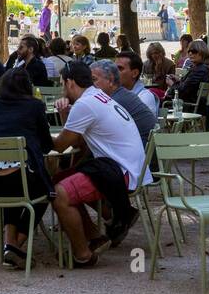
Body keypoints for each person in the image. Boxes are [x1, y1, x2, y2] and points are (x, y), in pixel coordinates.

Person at [51, 63, 150, 266]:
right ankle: (96, 237)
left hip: (120, 171)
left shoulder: (84, 104)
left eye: (62, 84)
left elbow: (61, 146)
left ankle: (83, 255)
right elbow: (77, 141)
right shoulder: (97, 96)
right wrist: (65, 117)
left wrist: (35, 135)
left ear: (70, 83)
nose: (62, 89)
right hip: (129, 167)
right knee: (61, 181)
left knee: (59, 193)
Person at [0, 66, 56, 269]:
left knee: (12, 188)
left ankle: (9, 243)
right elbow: (47, 145)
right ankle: (16, 243)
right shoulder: (35, 106)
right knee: (46, 191)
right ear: (27, 86)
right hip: (20, 180)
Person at [91, 58, 155, 142]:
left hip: (139, 151)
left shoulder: (114, 101)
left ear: (110, 80)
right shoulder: (122, 94)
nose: (91, 85)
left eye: (94, 79)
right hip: (144, 148)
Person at [164, 39, 209, 110]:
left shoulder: (200, 70)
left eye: (194, 51)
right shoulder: (202, 67)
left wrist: (172, 84)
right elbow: (189, 86)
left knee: (156, 101)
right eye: (189, 51)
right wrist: (178, 80)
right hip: (188, 103)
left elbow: (182, 92)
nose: (190, 53)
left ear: (202, 52)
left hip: (187, 105)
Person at [115, 50, 161, 117]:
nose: (114, 72)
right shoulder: (112, 94)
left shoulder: (144, 97)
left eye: (120, 68)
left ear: (135, 73)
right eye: (114, 68)